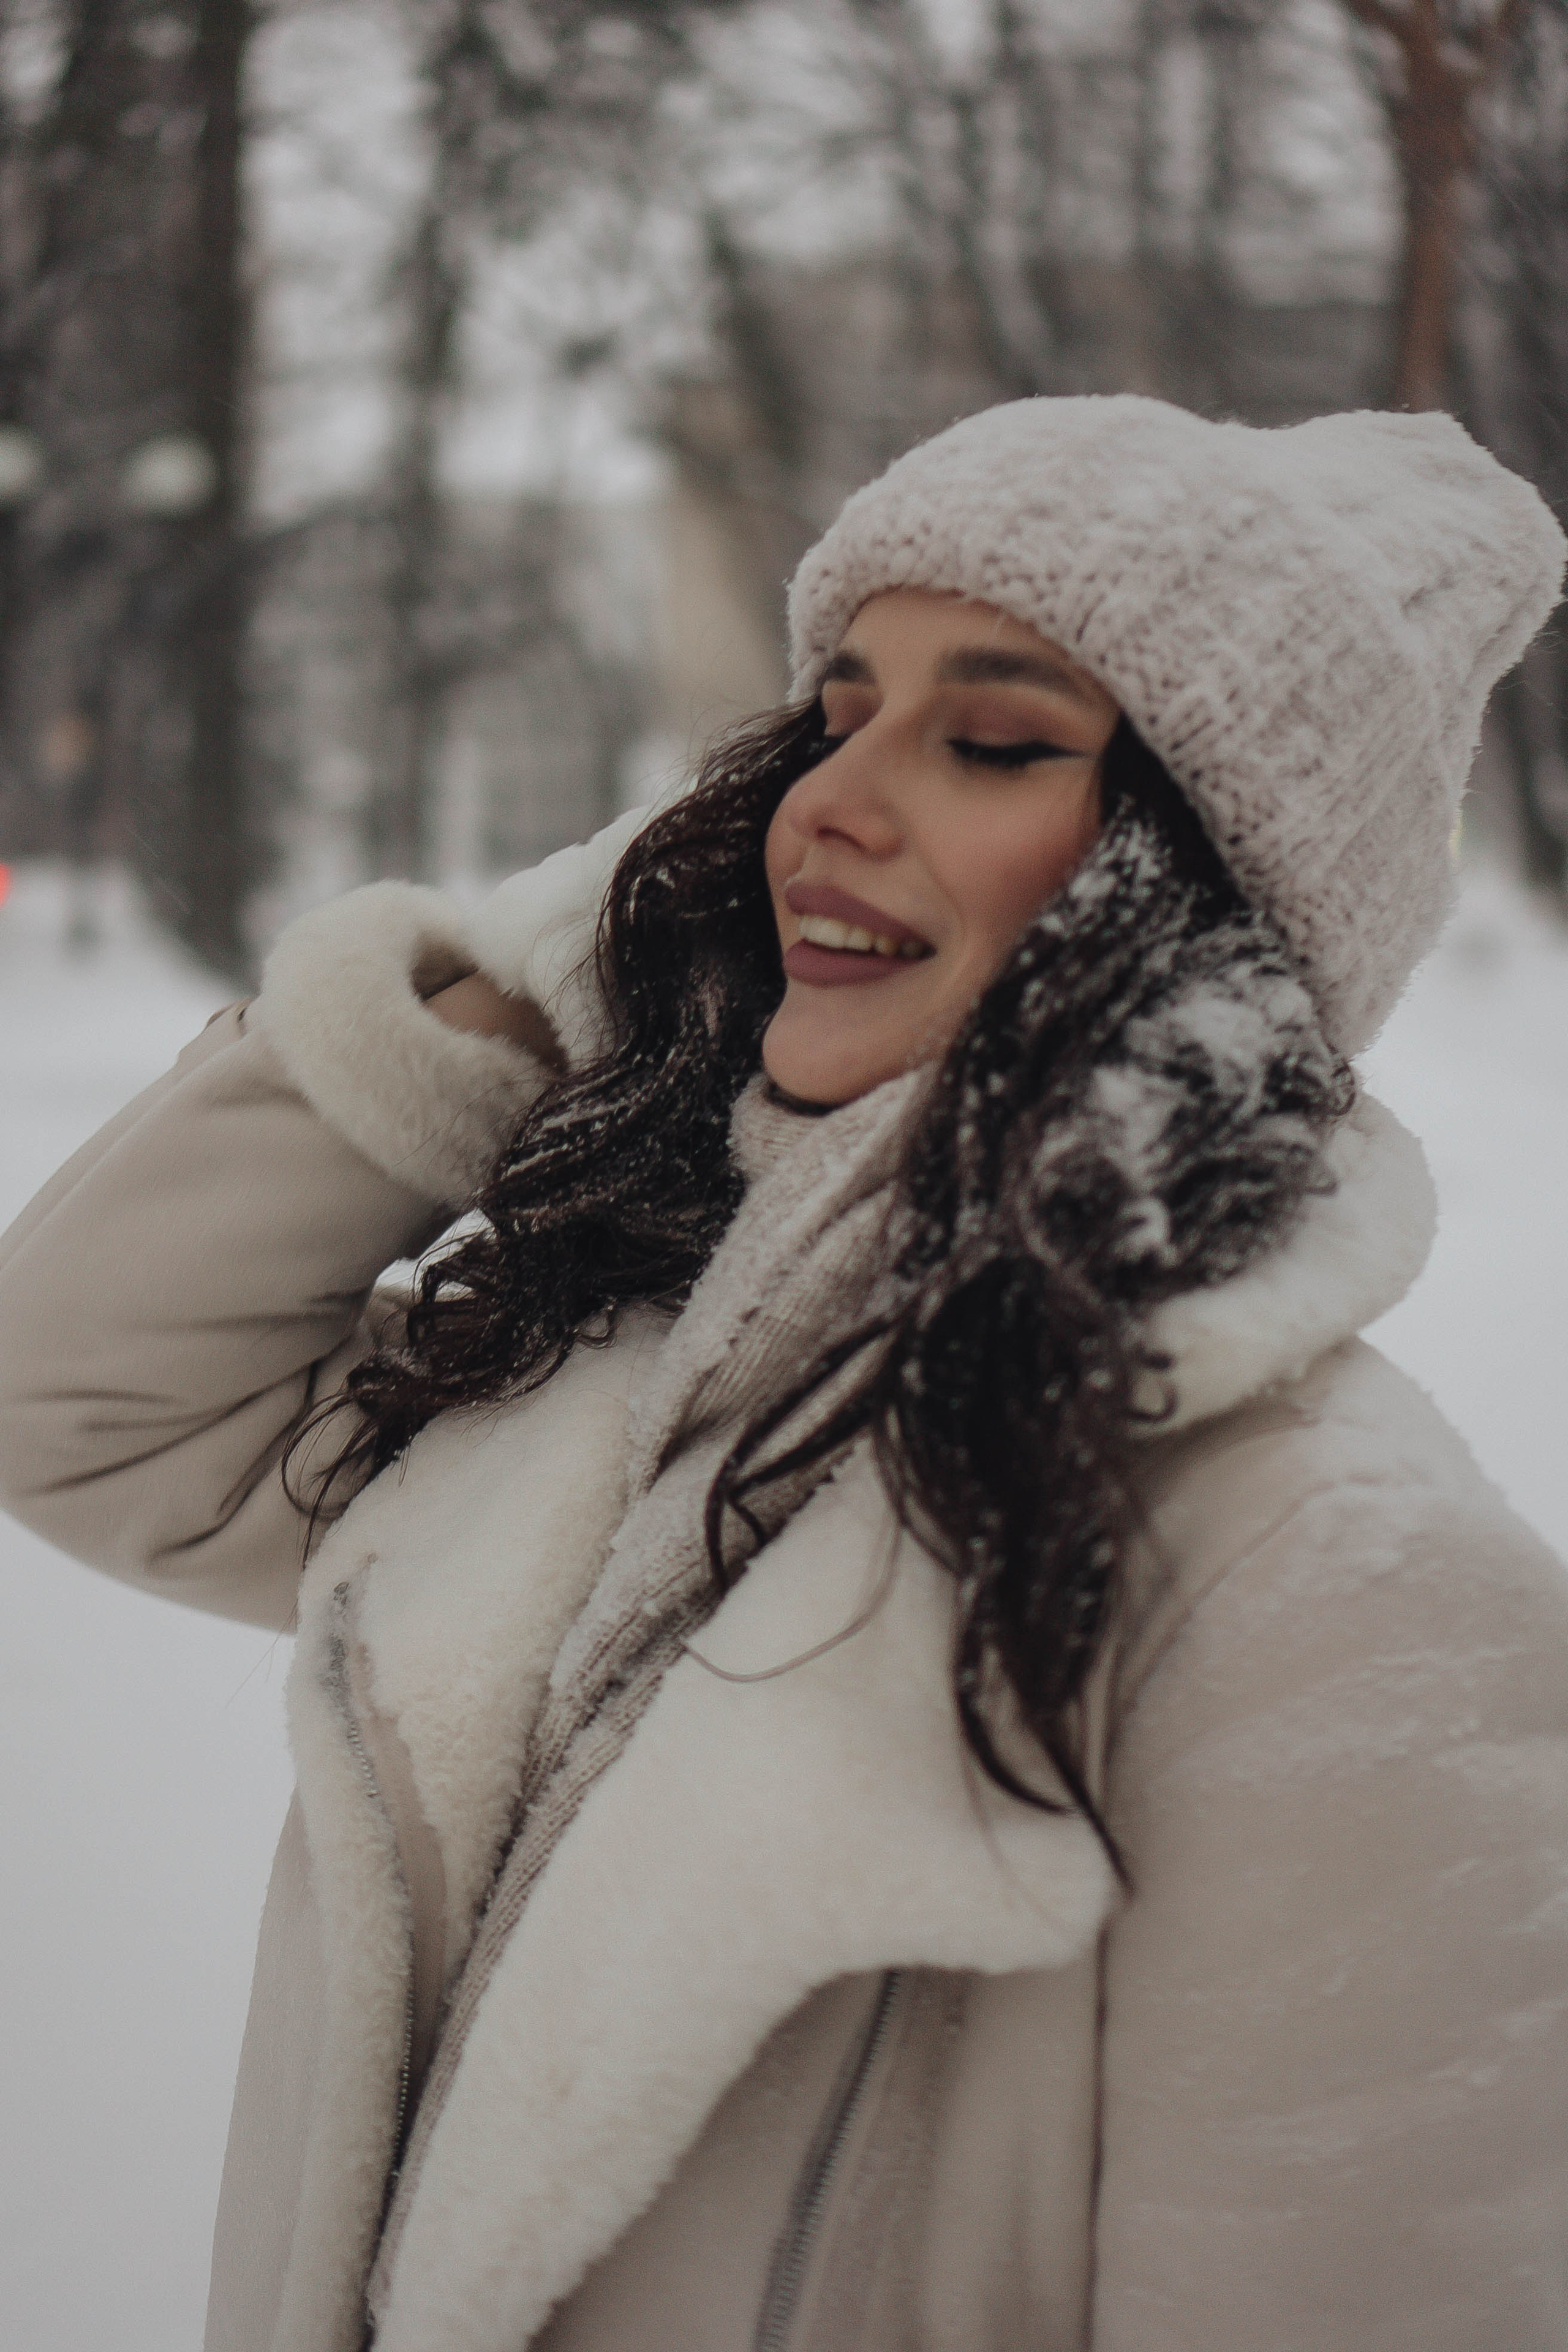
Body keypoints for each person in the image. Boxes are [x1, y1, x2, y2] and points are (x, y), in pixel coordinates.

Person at [1, 393, 1566, 2352]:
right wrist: (574, 955)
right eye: (835, 719)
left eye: (993, 738)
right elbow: (82, 1399)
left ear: (1198, 894)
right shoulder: (615, 1374)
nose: (822, 803)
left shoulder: (1333, 1584)